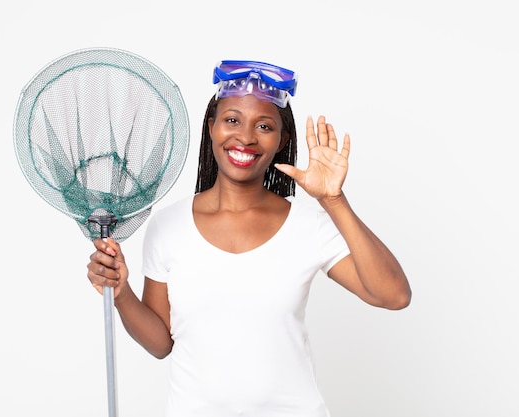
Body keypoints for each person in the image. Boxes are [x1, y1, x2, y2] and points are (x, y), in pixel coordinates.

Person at [87, 60, 411, 417]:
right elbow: (162, 343)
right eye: (231, 120)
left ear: (281, 140)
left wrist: (333, 201)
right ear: (211, 128)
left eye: (264, 126)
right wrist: (121, 293)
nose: (245, 136)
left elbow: (393, 295)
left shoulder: (308, 224)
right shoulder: (168, 225)